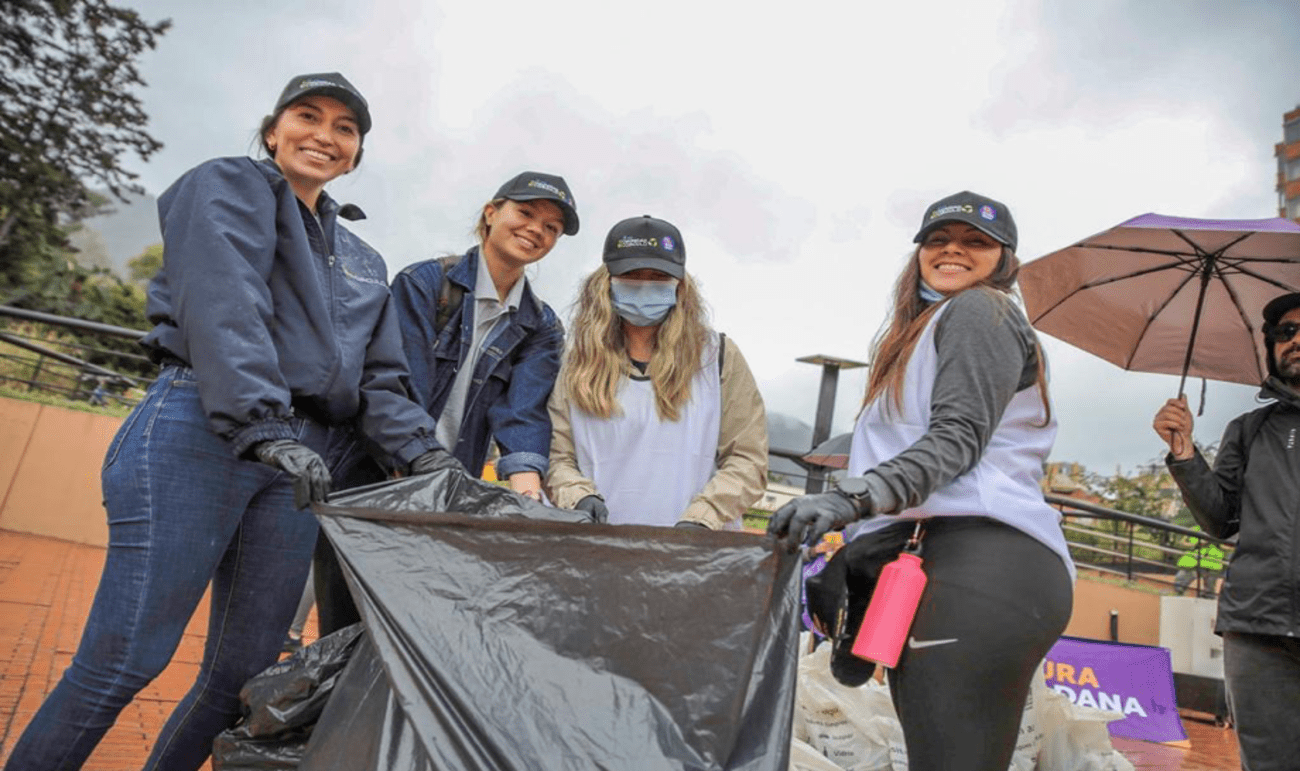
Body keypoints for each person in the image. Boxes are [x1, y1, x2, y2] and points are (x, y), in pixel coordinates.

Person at [4, 72, 454, 771]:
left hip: (301, 464)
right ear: (273, 130)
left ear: (356, 155)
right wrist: (261, 423)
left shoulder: (365, 262)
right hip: (204, 429)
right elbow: (225, 306)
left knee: (241, 679)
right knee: (126, 657)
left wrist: (427, 456)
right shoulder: (227, 186)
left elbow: (381, 378)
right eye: (308, 116)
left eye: (345, 128)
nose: (324, 135)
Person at [768, 192, 1075, 771]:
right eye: (939, 239)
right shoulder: (927, 328)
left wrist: (851, 500)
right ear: (918, 255)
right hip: (942, 559)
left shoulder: (983, 311)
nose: (954, 249)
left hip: (984, 560)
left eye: (976, 242)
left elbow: (957, 440)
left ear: (1004, 259)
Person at [312, 171, 577, 635]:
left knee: (412, 635)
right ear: (491, 213)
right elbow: (393, 386)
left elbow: (523, 413)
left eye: (552, 227)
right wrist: (418, 464)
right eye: (526, 213)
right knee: (345, 628)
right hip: (373, 483)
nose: (537, 229)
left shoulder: (542, 326)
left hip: (447, 496)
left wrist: (529, 493)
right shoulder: (424, 283)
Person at [1153, 290, 1300, 771]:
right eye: (1286, 332)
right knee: (1266, 761)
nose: (1296, 340)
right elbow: (1220, 520)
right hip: (1257, 627)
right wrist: (1184, 454)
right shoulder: (1249, 430)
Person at [543, 215, 768, 529]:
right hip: (597, 547)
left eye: (659, 277)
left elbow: (747, 459)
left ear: (679, 286)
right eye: (631, 275)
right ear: (606, 283)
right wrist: (577, 495)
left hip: (692, 553)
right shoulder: (575, 361)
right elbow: (556, 456)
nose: (645, 286)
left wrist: (703, 518)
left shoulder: (717, 358)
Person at [1171, 525, 1224, 597]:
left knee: (1209, 589)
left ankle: (1207, 598)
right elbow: (1182, 543)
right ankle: (1178, 596)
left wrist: (1215, 540)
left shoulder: (1221, 531)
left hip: (1210, 563)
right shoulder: (1195, 529)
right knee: (1180, 581)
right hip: (1192, 561)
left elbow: (1228, 547)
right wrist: (1195, 543)